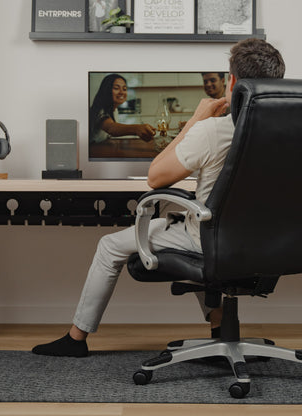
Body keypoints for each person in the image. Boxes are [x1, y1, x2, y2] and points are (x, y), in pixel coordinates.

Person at [33, 38, 286, 358]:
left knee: (112, 245)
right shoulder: (292, 130)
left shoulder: (214, 131)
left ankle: (75, 338)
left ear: (231, 82)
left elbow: (155, 177)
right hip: (274, 243)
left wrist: (195, 121)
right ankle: (220, 326)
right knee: (194, 230)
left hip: (214, 240)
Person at [89, 73, 156, 143]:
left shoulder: (114, 110)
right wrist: (136, 128)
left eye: (124, 89)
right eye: (116, 88)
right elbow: (111, 128)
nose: (122, 92)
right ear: (106, 90)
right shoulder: (100, 110)